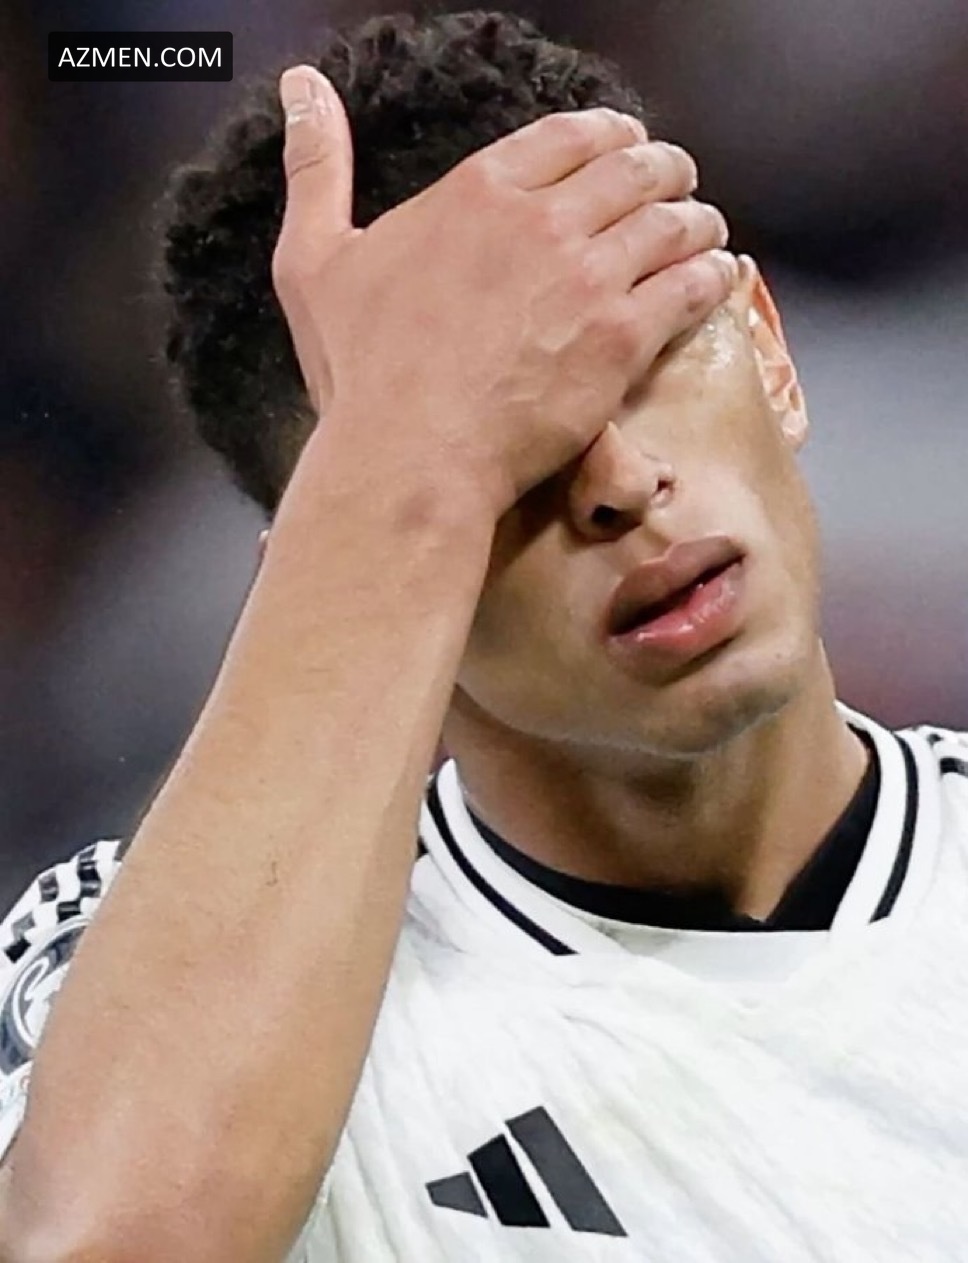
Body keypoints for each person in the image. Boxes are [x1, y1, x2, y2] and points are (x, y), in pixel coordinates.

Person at [1, 10, 966, 1262]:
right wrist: (400, 467)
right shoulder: (125, 989)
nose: (616, 482)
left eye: (643, 363)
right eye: (505, 446)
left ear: (767, 350)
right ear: (333, 570)